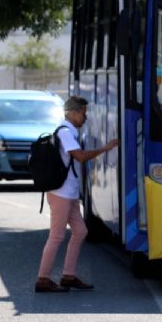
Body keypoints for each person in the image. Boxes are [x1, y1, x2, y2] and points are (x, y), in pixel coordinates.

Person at [35, 96, 119, 293]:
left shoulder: (70, 132)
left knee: (80, 231)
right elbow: (80, 157)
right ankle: (43, 279)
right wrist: (106, 148)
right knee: (56, 236)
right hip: (61, 193)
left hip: (69, 192)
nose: (86, 117)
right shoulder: (65, 132)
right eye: (83, 112)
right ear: (72, 113)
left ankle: (68, 276)